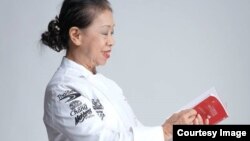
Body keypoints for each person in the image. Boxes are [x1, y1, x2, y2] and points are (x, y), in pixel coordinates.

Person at [41, 0, 209, 141]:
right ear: (76, 35)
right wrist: (164, 132)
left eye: (112, 32)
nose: (112, 41)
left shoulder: (109, 86)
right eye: (104, 33)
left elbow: (134, 134)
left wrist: (176, 131)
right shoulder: (62, 89)